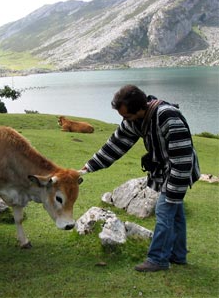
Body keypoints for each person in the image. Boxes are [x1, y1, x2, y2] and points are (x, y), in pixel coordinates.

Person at [81, 84, 200, 272]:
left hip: (179, 170)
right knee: (175, 214)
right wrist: (90, 166)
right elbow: (116, 144)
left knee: (164, 209)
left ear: (140, 108)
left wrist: (173, 191)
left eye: (126, 116)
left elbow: (183, 159)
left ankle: (158, 259)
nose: (124, 120)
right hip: (165, 170)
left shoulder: (168, 117)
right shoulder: (136, 119)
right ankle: (178, 255)